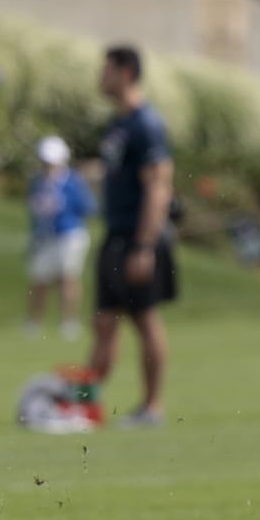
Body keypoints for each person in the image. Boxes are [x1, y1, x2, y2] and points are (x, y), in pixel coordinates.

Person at [87, 44, 176, 428]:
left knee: (144, 319)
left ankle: (152, 407)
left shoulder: (146, 123)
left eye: (106, 70)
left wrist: (144, 245)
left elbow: (159, 186)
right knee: (105, 321)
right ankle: (85, 404)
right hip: (115, 233)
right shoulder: (119, 124)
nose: (100, 77)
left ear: (125, 73)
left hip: (137, 238)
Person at [25, 134, 95, 340]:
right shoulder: (37, 182)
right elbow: (34, 210)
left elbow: (88, 207)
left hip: (70, 234)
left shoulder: (73, 182)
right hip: (45, 236)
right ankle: (33, 323)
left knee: (68, 278)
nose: (48, 165)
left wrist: (63, 206)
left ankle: (68, 322)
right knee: (39, 280)